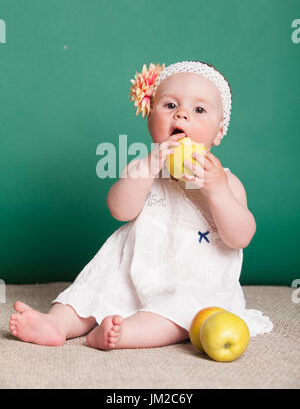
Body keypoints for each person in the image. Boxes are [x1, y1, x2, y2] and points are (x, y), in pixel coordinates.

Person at [9, 60, 273, 350]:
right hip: (133, 269)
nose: (182, 114)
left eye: (199, 110)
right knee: (95, 286)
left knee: (179, 313)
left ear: (218, 132)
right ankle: (57, 323)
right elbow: (119, 209)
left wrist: (218, 192)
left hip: (191, 282)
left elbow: (241, 236)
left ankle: (122, 334)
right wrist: (148, 166)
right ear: (150, 121)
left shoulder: (225, 182)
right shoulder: (145, 170)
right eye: (170, 105)